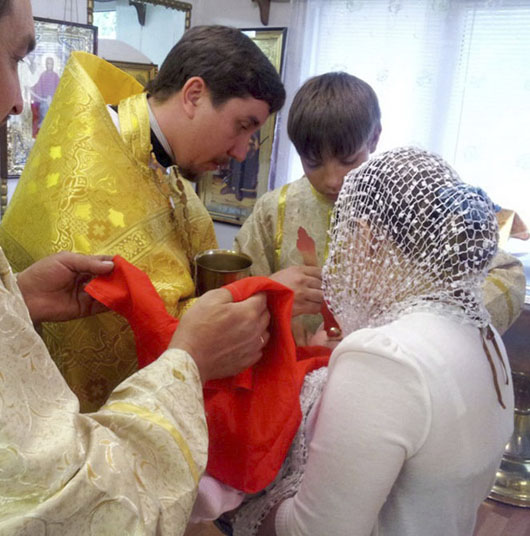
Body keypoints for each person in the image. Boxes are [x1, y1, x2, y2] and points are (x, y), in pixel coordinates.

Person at [224, 147, 514, 536]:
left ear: (365, 239)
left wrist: (237, 506)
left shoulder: (385, 356)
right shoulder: (482, 332)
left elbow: (315, 532)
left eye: (340, 239)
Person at [0, 23, 285, 411]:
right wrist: (268, 296)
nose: (240, 152)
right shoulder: (90, 172)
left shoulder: (158, 164)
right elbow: (151, 328)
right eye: (243, 126)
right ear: (194, 95)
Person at [234, 72, 526, 342]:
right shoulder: (274, 210)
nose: (332, 180)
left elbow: (507, 275)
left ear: (374, 138)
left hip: (390, 364)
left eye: (348, 160)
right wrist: (272, 296)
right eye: (313, 163)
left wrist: (414, 325)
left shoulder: (412, 202)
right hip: (292, 370)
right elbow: (232, 295)